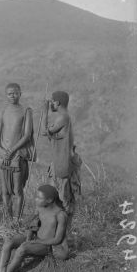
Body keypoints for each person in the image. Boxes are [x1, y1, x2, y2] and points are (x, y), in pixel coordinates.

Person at [0, 184, 69, 272]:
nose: (35, 199)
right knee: (9, 241)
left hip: (46, 245)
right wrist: (28, 238)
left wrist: (37, 242)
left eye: (39, 198)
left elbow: (57, 239)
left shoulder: (60, 215)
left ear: (49, 200)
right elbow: (33, 226)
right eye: (36, 196)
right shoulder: (40, 208)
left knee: (23, 248)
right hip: (37, 239)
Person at [41, 91, 80, 231]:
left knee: (62, 200)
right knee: (59, 199)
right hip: (61, 163)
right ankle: (60, 232)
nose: (51, 103)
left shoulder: (62, 117)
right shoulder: (64, 117)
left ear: (57, 103)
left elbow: (45, 131)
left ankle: (63, 234)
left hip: (63, 165)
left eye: (52, 101)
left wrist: (45, 111)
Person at [0, 83, 34, 223]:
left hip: (17, 154)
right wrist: (1, 151)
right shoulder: (3, 111)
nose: (13, 96)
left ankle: (17, 220)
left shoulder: (26, 111)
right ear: (6, 95)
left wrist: (12, 150)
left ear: (20, 93)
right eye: (10, 93)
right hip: (4, 156)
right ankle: (7, 219)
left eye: (15, 93)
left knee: (18, 190)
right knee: (5, 191)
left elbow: (27, 135)